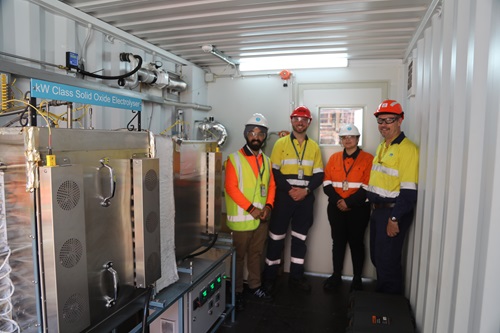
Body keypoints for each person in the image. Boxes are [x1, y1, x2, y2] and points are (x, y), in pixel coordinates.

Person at [262, 106, 324, 292]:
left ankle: (296, 278)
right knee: (275, 239)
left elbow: (319, 175)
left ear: (309, 123)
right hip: (284, 198)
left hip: (304, 200)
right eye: (297, 119)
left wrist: (305, 191)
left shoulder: (314, 147)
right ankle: (269, 279)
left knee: (300, 239)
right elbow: (275, 172)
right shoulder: (280, 143)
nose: (300, 122)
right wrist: (290, 190)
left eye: (304, 119)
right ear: (291, 121)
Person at [366, 100, 419, 294]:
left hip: (393, 213)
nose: (384, 125)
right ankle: (383, 304)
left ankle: (390, 311)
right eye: (381, 120)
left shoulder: (407, 149)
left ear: (400, 120)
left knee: (387, 262)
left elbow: (409, 190)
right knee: (378, 258)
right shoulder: (384, 146)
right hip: (378, 212)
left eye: (390, 120)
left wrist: (394, 218)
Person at [224, 113, 276, 310]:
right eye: (252, 133)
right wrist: (252, 209)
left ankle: (255, 286)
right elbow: (231, 188)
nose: (256, 137)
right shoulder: (234, 159)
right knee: (239, 257)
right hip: (242, 220)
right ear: (246, 134)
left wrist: (268, 207)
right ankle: (236, 292)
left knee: (256, 253)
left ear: (264, 136)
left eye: (260, 133)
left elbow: (271, 186)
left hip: (261, 218)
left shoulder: (267, 160)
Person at [322, 124, 373, 292]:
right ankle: (336, 275)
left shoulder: (368, 159)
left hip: (358, 209)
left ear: (358, 139)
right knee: (338, 242)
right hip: (336, 208)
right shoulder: (334, 158)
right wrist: (339, 201)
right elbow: (327, 184)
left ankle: (357, 278)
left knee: (357, 243)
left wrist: (348, 202)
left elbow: (367, 186)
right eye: (344, 137)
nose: (348, 140)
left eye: (351, 137)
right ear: (341, 140)